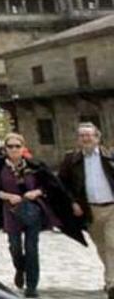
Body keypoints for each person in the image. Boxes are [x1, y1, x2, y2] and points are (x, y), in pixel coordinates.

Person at [0, 133, 85, 297]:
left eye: (18, 146)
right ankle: (20, 267)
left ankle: (31, 286)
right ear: (5, 149)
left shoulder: (35, 165)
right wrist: (7, 196)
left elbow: (50, 186)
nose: (14, 149)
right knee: (15, 246)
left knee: (32, 248)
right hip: (10, 212)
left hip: (33, 211)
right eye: (10, 146)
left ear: (23, 147)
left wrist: (36, 192)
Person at [58, 122, 114, 299]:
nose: (86, 138)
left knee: (113, 245)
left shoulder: (110, 156)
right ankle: (110, 279)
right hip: (90, 210)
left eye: (89, 135)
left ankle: (112, 283)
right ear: (78, 139)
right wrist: (73, 202)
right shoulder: (71, 160)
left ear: (97, 138)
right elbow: (62, 185)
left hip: (112, 207)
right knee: (102, 248)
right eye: (82, 135)